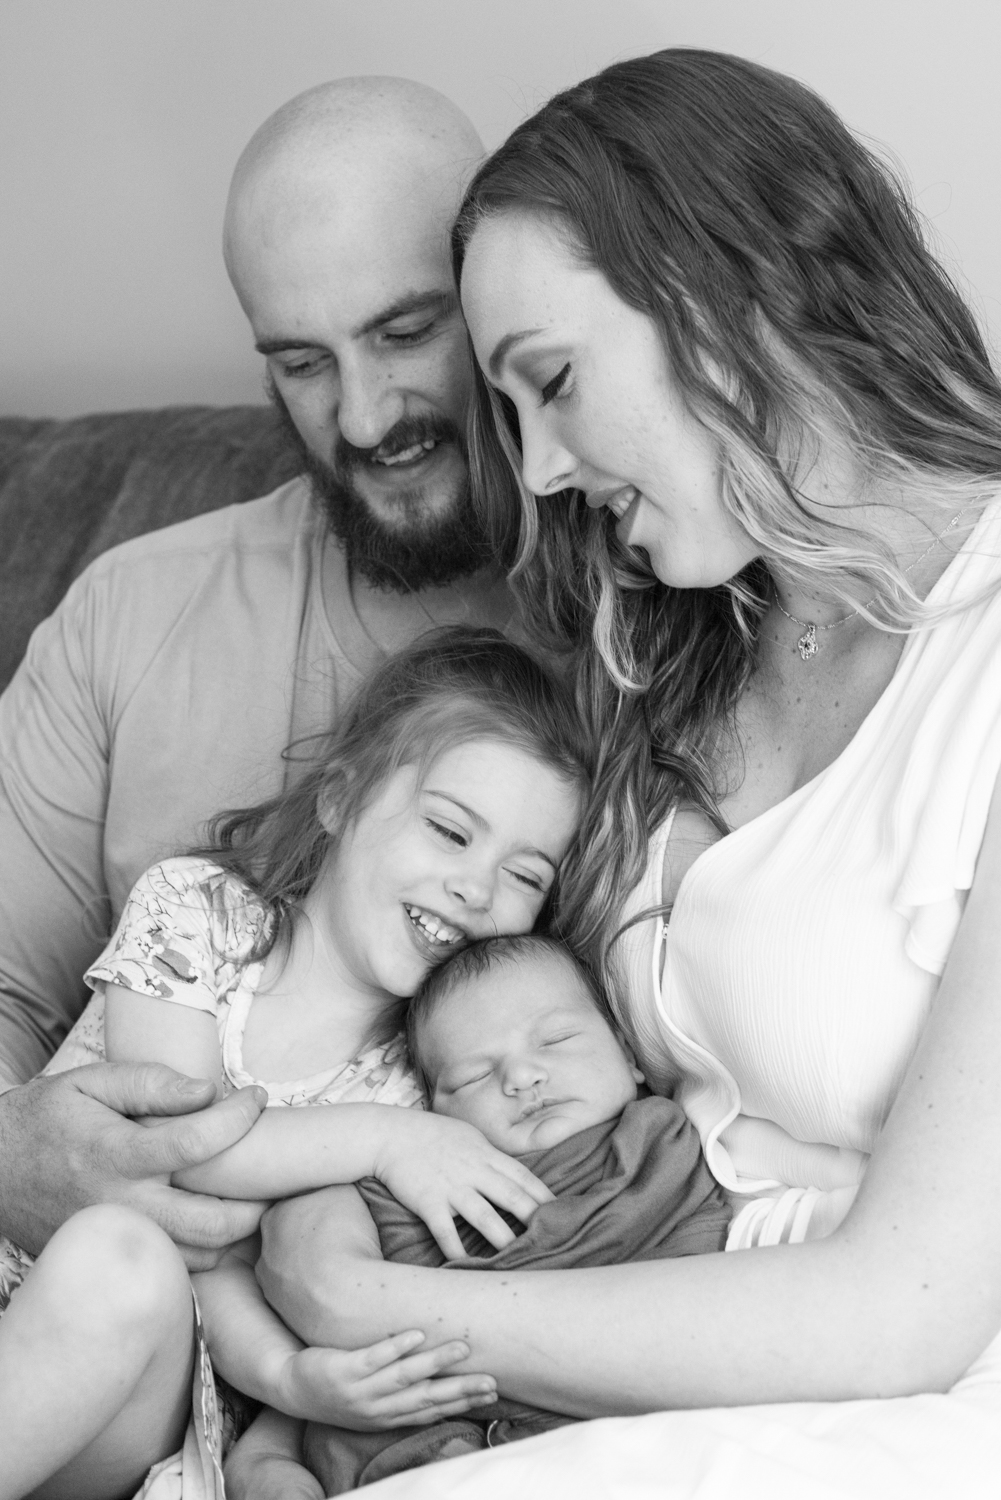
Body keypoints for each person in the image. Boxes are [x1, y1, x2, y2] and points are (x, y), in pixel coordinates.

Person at [256, 49, 1001, 1498]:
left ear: (726, 305)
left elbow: (903, 1312)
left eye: (550, 385)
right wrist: (320, 1202)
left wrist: (384, 1307)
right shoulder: (674, 643)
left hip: (897, 1405)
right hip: (632, 1369)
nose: (529, 470)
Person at [0, 76, 521, 1273]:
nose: (362, 415)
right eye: (300, 362)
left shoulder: (649, 621)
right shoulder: (131, 613)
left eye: (404, 332)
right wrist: (13, 1157)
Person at [0, 629, 588, 1500]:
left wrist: (288, 1384)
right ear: (341, 800)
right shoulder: (194, 913)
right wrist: (383, 1142)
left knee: (123, 1258)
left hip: (141, 1393)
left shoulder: (423, 1090)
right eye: (450, 831)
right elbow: (179, 1144)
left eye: (525, 875)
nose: (477, 888)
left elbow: (243, 1272)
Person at [293, 932, 728, 1494]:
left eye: (557, 1038)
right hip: (444, 1436)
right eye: (474, 1076)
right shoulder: (423, 1183)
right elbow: (330, 1299)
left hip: (622, 1409)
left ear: (628, 1053)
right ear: (434, 1116)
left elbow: (692, 1272)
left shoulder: (656, 1139)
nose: (521, 1077)